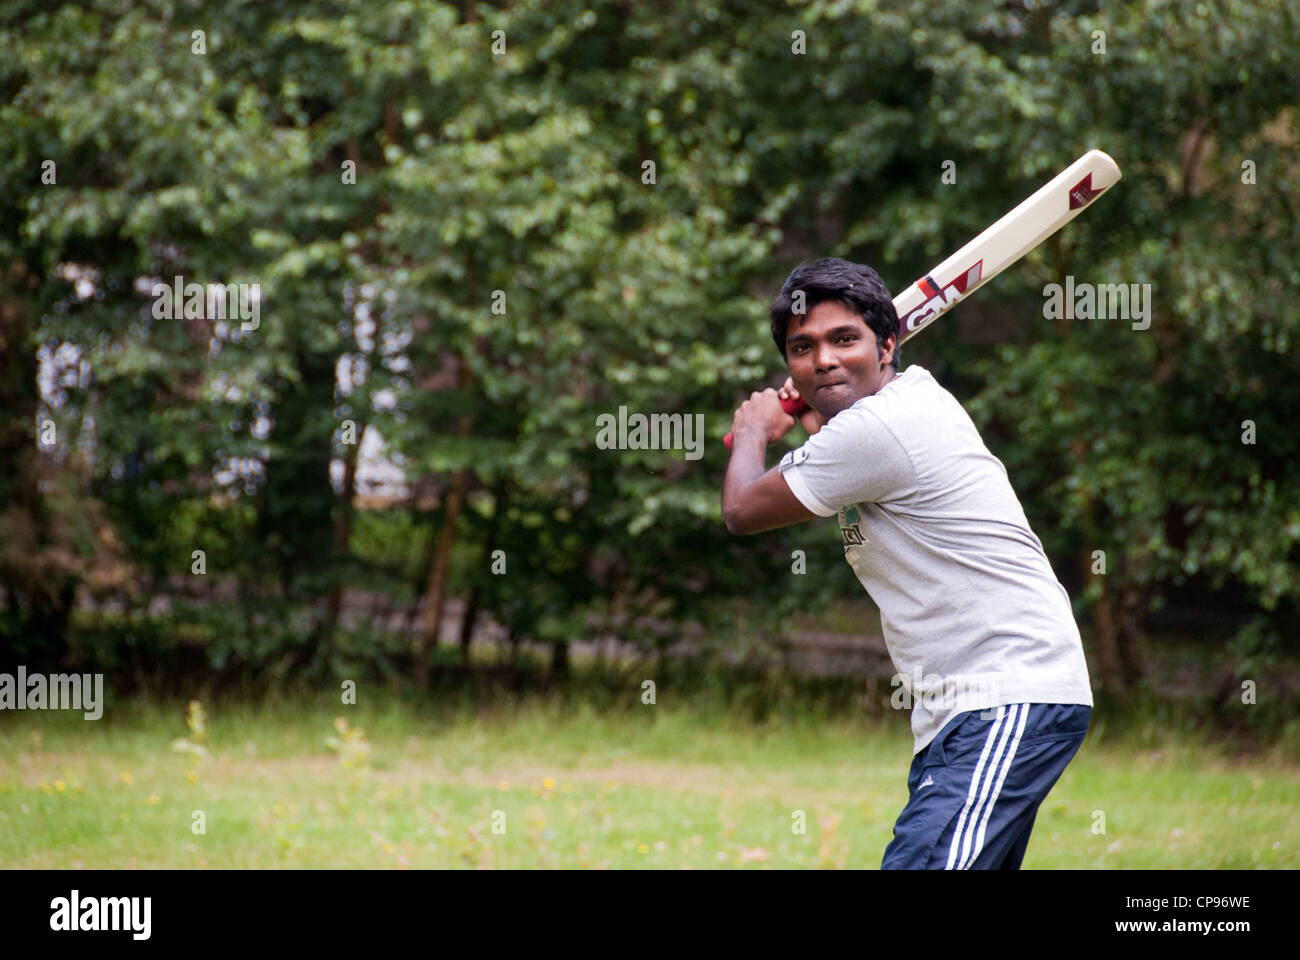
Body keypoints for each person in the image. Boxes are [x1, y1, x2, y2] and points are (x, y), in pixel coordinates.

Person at [721, 257, 1094, 869]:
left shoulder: (880, 429)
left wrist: (757, 427)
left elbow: (740, 508)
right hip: (964, 710)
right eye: (803, 347)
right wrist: (814, 412)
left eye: (845, 339)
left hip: (1004, 691)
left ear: (888, 343)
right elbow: (840, 445)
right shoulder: (897, 409)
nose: (824, 360)